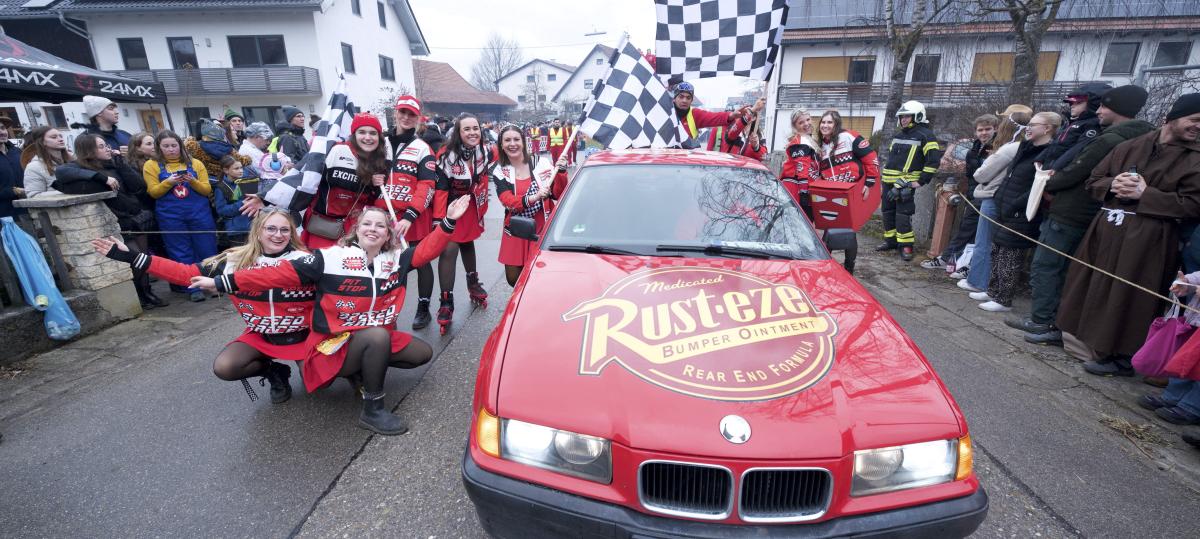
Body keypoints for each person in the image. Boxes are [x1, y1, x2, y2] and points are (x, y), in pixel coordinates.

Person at [193, 200, 470, 434]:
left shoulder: (395, 259)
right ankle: (373, 409)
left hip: (366, 339)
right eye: (367, 224)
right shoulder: (329, 258)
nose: (373, 229)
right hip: (331, 341)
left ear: (388, 234)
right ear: (356, 230)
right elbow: (276, 274)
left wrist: (448, 221)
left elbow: (427, 251)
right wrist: (221, 283)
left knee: (420, 353)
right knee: (376, 336)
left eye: (380, 226)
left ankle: (363, 368)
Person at [93, 209, 312, 404]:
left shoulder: (306, 260)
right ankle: (276, 373)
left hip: (305, 335)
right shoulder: (233, 261)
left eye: (285, 230)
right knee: (225, 367)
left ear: (292, 233)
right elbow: (185, 273)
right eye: (271, 228)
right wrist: (132, 257)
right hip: (262, 335)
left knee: (318, 382)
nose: (278, 234)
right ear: (257, 231)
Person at [1057, 93, 1200, 377]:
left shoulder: (1195, 160)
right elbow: (1093, 180)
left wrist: (1147, 195)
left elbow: (1194, 205)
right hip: (1108, 227)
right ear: (1171, 119)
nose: (1198, 127)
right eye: (1194, 120)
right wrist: (1113, 184)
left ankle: (1122, 356)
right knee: (1091, 283)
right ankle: (1082, 339)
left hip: (1150, 237)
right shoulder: (1130, 146)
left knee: (1131, 294)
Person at [1009, 85, 1154, 345]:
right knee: (1065, 270)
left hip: (1070, 212)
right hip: (1094, 213)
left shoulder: (1109, 139)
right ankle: (1054, 323)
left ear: (1118, 109)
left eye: (1103, 106)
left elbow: (1080, 169)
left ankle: (1043, 320)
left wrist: (1047, 182)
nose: (1098, 111)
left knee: (1047, 266)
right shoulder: (1144, 138)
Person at [971, 111, 1061, 312]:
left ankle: (1003, 298)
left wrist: (1017, 204)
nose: (1028, 128)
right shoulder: (1026, 148)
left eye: (1033, 125)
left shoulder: (1049, 153)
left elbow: (1037, 185)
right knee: (997, 249)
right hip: (1005, 203)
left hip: (1020, 209)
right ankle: (992, 290)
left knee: (1010, 255)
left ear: (1047, 128)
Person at [378, 95, 439, 330]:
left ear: (418, 119)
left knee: (420, 261)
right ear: (396, 113)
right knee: (389, 265)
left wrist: (410, 216)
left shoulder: (422, 148)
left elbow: (427, 186)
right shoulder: (379, 143)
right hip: (382, 216)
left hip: (412, 217)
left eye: (411, 114)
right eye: (402, 112)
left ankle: (423, 307)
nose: (406, 117)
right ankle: (387, 312)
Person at [958, 106, 1031, 294]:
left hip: (991, 196)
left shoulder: (1008, 148)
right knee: (992, 244)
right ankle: (985, 283)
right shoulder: (1025, 146)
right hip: (1002, 197)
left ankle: (979, 282)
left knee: (984, 242)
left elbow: (980, 175)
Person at [433, 113, 493, 334]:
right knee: (449, 250)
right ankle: (446, 301)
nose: (472, 132)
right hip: (450, 207)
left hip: (470, 205)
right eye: (466, 129)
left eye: (475, 128)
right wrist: (440, 221)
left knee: (468, 243)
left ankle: (473, 283)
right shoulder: (447, 155)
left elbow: (509, 152)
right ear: (458, 133)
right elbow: (440, 190)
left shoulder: (485, 151)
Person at [143, 130, 217, 302]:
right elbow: (153, 192)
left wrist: (192, 181)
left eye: (174, 145)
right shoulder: (151, 165)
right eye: (166, 146)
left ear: (180, 146)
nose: (171, 149)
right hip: (171, 216)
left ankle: (213, 284)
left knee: (207, 248)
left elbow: (206, 190)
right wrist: (168, 183)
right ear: (159, 148)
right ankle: (191, 288)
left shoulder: (196, 163)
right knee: (180, 251)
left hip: (199, 213)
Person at [295, 113, 389, 249]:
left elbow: (368, 200)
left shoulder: (378, 161)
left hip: (352, 227)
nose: (368, 137)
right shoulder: (336, 150)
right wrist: (263, 198)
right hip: (322, 227)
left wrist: (373, 186)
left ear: (378, 137)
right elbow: (303, 176)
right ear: (354, 135)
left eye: (373, 133)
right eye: (362, 132)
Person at [921, 114, 999, 272]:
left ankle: (949, 259)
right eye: (980, 130)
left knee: (970, 232)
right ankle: (960, 263)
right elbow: (971, 175)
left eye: (987, 129)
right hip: (974, 195)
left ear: (995, 129)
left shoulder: (996, 149)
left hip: (988, 197)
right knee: (968, 231)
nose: (983, 133)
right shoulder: (975, 148)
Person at [493, 125, 568, 286]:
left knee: (542, 279)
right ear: (501, 144)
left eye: (516, 139)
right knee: (514, 280)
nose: (512, 144)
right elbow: (507, 200)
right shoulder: (500, 170)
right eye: (507, 140)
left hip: (542, 229)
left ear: (523, 142)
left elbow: (557, 194)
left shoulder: (542, 163)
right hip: (515, 230)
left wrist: (561, 172)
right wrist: (533, 197)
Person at [816, 110, 880, 273]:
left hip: (851, 190)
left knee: (849, 231)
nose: (825, 125)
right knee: (829, 228)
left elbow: (870, 157)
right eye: (823, 122)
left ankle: (849, 267)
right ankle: (824, 265)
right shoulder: (820, 144)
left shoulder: (849, 136)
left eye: (829, 122)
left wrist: (870, 182)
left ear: (836, 124)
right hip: (831, 192)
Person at [879, 100, 942, 261]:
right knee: (887, 212)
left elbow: (933, 161)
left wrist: (921, 181)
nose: (903, 120)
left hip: (906, 183)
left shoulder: (926, 136)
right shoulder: (899, 135)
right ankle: (891, 241)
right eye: (902, 117)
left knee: (902, 215)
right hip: (888, 181)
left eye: (907, 116)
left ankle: (906, 245)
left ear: (918, 116)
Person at [778, 108, 821, 218]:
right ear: (795, 126)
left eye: (808, 119)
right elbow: (802, 168)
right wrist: (803, 193)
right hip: (796, 189)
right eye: (801, 122)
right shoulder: (800, 141)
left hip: (805, 188)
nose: (806, 124)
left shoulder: (809, 139)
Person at [671, 82, 739, 147]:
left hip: (687, 157)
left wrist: (731, 115)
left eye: (688, 98)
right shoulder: (666, 112)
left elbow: (714, 117)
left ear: (691, 101)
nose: (684, 100)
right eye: (681, 97)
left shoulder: (694, 114)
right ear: (674, 99)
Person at [185, 118, 251, 183]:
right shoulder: (227, 148)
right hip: (224, 182)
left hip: (203, 182)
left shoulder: (193, 147)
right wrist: (248, 158)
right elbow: (244, 160)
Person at [213, 155, 257, 247]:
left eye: (241, 168)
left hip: (252, 226)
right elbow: (221, 210)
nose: (240, 171)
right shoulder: (221, 187)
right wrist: (242, 204)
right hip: (236, 230)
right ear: (226, 170)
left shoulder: (247, 182)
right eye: (236, 168)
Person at [77, 96, 132, 165]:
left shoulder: (125, 134)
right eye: (111, 108)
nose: (117, 112)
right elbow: (85, 165)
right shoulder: (85, 139)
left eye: (115, 109)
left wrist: (131, 154)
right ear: (98, 112)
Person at [20, 126, 71, 198]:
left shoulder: (73, 161)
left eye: (60, 136)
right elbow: (33, 196)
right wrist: (67, 191)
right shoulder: (34, 167)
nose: (60, 139)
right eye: (54, 137)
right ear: (42, 142)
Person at [0, 117, 25, 218]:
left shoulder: (17, 152)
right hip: (5, 216)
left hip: (30, 210)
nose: (1, 132)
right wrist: (13, 191)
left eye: (2, 128)